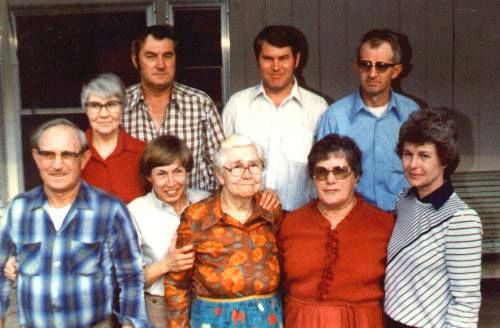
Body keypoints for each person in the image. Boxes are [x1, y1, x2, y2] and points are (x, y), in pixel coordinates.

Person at [0, 119, 150, 327]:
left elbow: (131, 277)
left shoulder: (110, 209)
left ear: (84, 158)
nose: (57, 164)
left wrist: (131, 324)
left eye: (68, 155)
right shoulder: (18, 210)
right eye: (48, 154)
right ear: (36, 158)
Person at [164, 135, 283, 327]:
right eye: (237, 167)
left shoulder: (271, 210)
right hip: (214, 319)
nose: (247, 174)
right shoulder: (197, 217)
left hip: (266, 318)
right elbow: (177, 284)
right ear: (220, 175)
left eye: (254, 165)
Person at [278, 134, 394, 327]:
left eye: (340, 171)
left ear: (356, 176)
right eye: (321, 172)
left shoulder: (383, 224)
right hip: (302, 321)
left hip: (362, 322)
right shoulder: (290, 223)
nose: (330, 180)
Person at [384, 108, 482, 327]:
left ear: (445, 160)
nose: (413, 164)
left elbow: (466, 303)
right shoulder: (405, 200)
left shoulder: (461, 220)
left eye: (424, 155)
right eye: (408, 154)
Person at [223, 25, 328, 212]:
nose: (276, 67)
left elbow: (326, 169)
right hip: (245, 218)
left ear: (297, 60)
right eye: (268, 59)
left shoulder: (318, 108)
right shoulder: (237, 105)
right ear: (257, 60)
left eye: (283, 58)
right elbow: (222, 165)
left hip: (300, 218)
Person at [317, 29, 419, 212]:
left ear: (396, 71)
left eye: (381, 66)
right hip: (354, 221)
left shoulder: (412, 114)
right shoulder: (335, 117)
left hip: (404, 220)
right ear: (356, 66)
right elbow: (321, 177)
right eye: (366, 65)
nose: (372, 74)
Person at [124, 24, 225, 192]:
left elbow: (222, 166)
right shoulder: (120, 107)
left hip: (195, 211)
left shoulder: (200, 104)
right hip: (139, 214)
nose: (160, 64)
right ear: (136, 60)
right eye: (151, 56)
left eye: (167, 55)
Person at [128, 135, 210, 327]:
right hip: (160, 307)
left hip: (204, 304)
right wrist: (166, 264)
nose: (171, 182)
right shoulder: (135, 211)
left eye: (178, 171)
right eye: (162, 174)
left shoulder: (206, 202)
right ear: (149, 176)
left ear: (187, 171)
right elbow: (128, 281)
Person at [81, 73, 145, 203]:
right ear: (85, 109)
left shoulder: (142, 152)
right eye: (95, 105)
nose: (104, 114)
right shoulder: (73, 152)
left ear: (123, 107)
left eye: (112, 104)